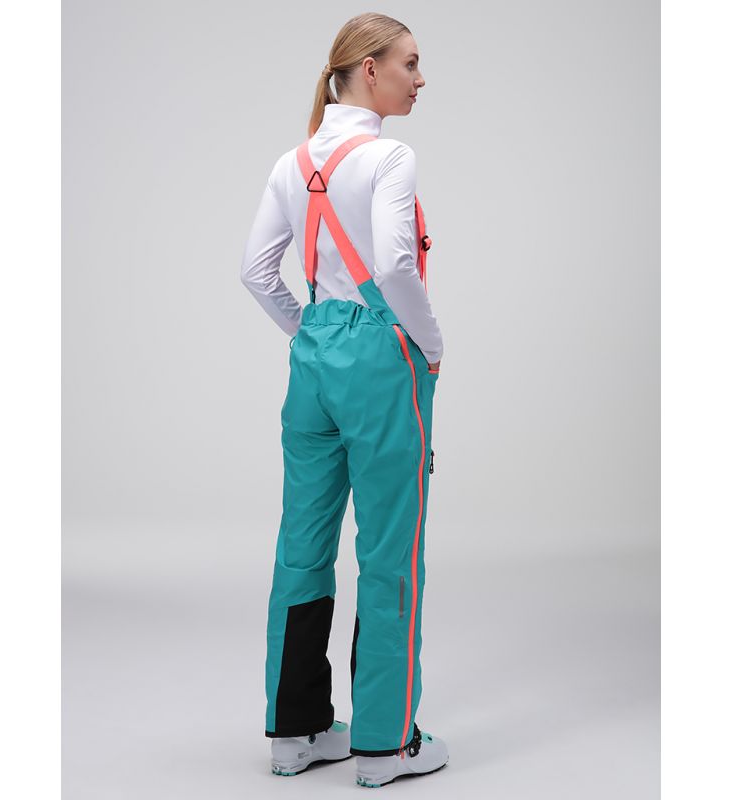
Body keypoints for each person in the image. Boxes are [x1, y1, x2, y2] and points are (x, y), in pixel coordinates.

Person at [240, 12, 449, 788]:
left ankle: (294, 733)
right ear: (368, 68)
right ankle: (386, 746)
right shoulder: (391, 156)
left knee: (301, 547)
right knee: (390, 551)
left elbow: (256, 272)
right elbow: (394, 264)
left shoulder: (291, 161)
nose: (420, 79)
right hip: (381, 359)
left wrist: (312, 331)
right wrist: (429, 344)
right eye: (410, 63)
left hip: (314, 360)